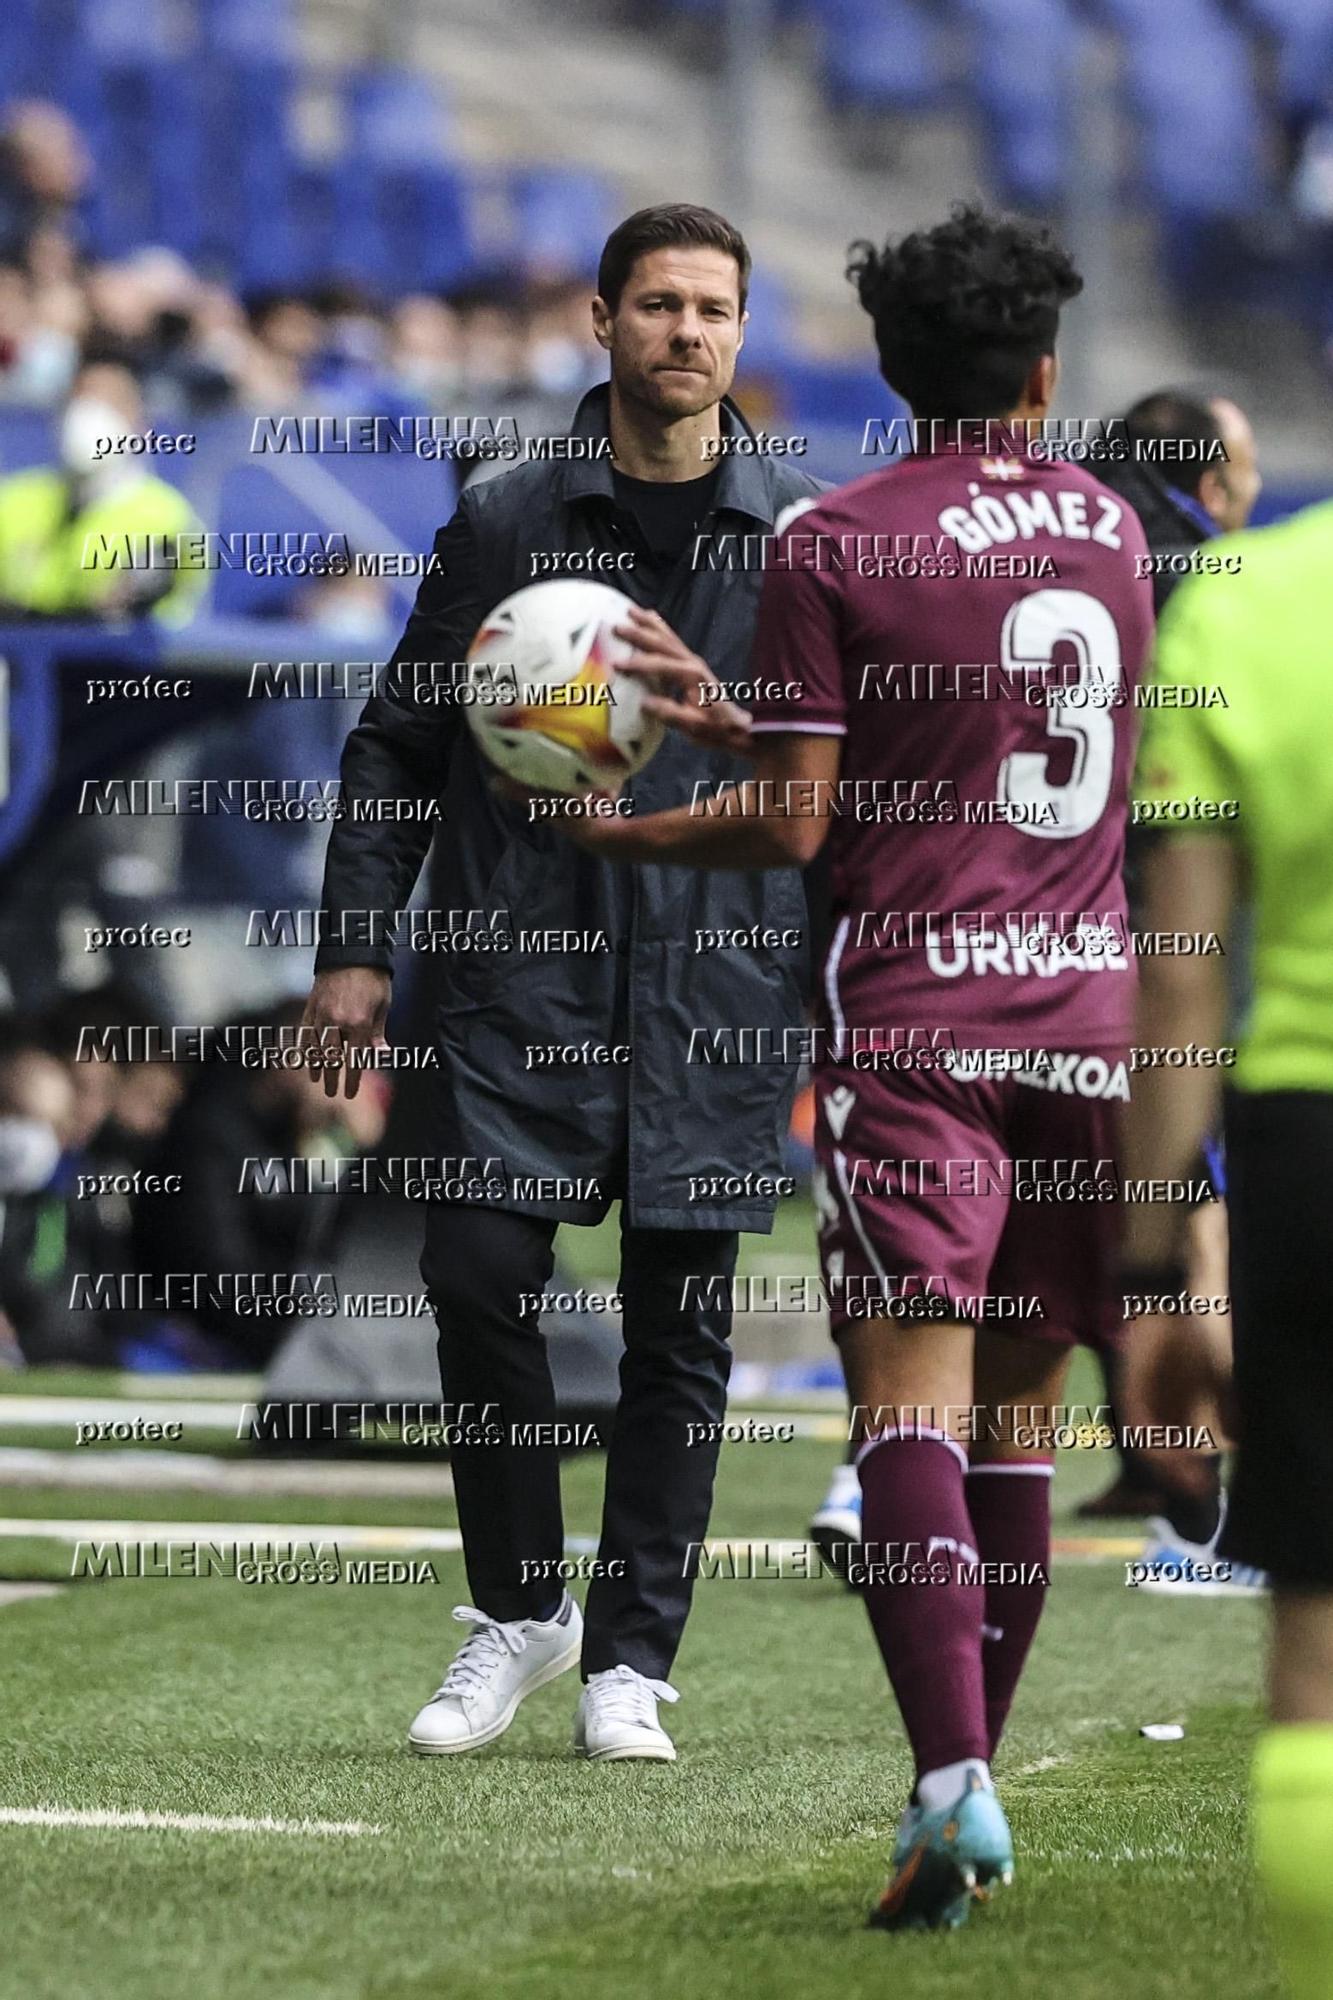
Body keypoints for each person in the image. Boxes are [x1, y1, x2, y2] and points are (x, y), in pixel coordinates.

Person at [552, 205, 1154, 1925]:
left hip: (917, 1037)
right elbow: (976, 737)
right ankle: (951, 1793)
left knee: (909, 1412)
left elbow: (808, 824)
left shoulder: (833, 536)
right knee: (1024, 1431)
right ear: (1042, 372)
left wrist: (634, 831)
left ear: (884, 372)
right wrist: (762, 727)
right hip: (1087, 1028)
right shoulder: (1110, 529)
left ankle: (951, 1781)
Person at [305, 204, 821, 1763]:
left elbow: (831, 780)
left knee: (680, 1330)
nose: (687, 333)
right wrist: (351, 950)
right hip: (514, 978)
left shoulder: (801, 532)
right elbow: (400, 736)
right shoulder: (509, 514)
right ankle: (520, 1613)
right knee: (473, 1276)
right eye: (658, 304)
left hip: (713, 990)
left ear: (741, 330)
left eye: (714, 309)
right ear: (600, 320)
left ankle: (630, 1663)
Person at [1123, 499, 1333, 1998]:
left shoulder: (1242, 602)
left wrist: (1150, 1276)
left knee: (1316, 1648)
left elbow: (1180, 981)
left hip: (1307, 1146)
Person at [1077, 387, 1263, 1528]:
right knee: (1198, 1220)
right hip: (1180, 950)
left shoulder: (1062, 556)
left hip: (1034, 940)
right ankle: (1206, 1465)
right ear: (1207, 488)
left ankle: (1168, 1455)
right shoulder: (1224, 591)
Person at [0, 356, 206, 623]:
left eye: (110, 403)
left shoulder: (167, 518)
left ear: (139, 421)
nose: (90, 416)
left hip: (114, 662)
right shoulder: (14, 499)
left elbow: (135, 606)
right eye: (82, 400)